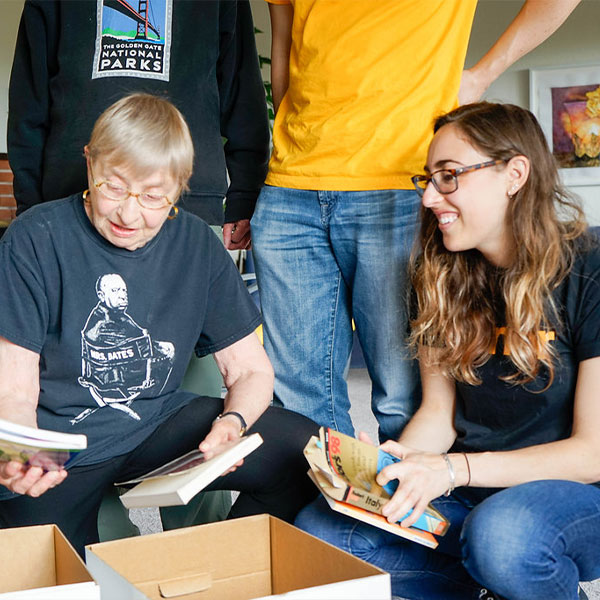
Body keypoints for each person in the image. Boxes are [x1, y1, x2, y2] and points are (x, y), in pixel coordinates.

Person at [295, 102, 600, 600]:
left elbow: (592, 455)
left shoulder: (591, 269)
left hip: (575, 497)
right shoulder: (441, 275)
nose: (430, 198)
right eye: (429, 179)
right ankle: (487, 585)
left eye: (450, 176)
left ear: (514, 174)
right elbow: (440, 414)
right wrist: (393, 467)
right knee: (322, 533)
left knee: (503, 538)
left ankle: (508, 570)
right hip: (469, 496)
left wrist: (453, 470)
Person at [0, 93, 317, 558]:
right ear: (89, 163)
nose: (129, 215)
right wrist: (21, 454)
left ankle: (216, 573)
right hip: (60, 442)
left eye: (153, 196)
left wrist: (234, 421)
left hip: (153, 422)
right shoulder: (34, 236)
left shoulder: (195, 243)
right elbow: (13, 389)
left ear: (180, 185)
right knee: (59, 574)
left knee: (302, 453)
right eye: (113, 187)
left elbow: (250, 370)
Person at [250, 0, 581, 442]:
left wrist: (483, 72)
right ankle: (324, 510)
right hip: (291, 184)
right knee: (296, 400)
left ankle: (414, 503)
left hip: (403, 183)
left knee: (402, 397)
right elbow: (286, 46)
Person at [8, 0, 268, 250]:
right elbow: (29, 102)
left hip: (190, 204)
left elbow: (241, 88)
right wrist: (30, 207)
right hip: (70, 201)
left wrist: (245, 194)